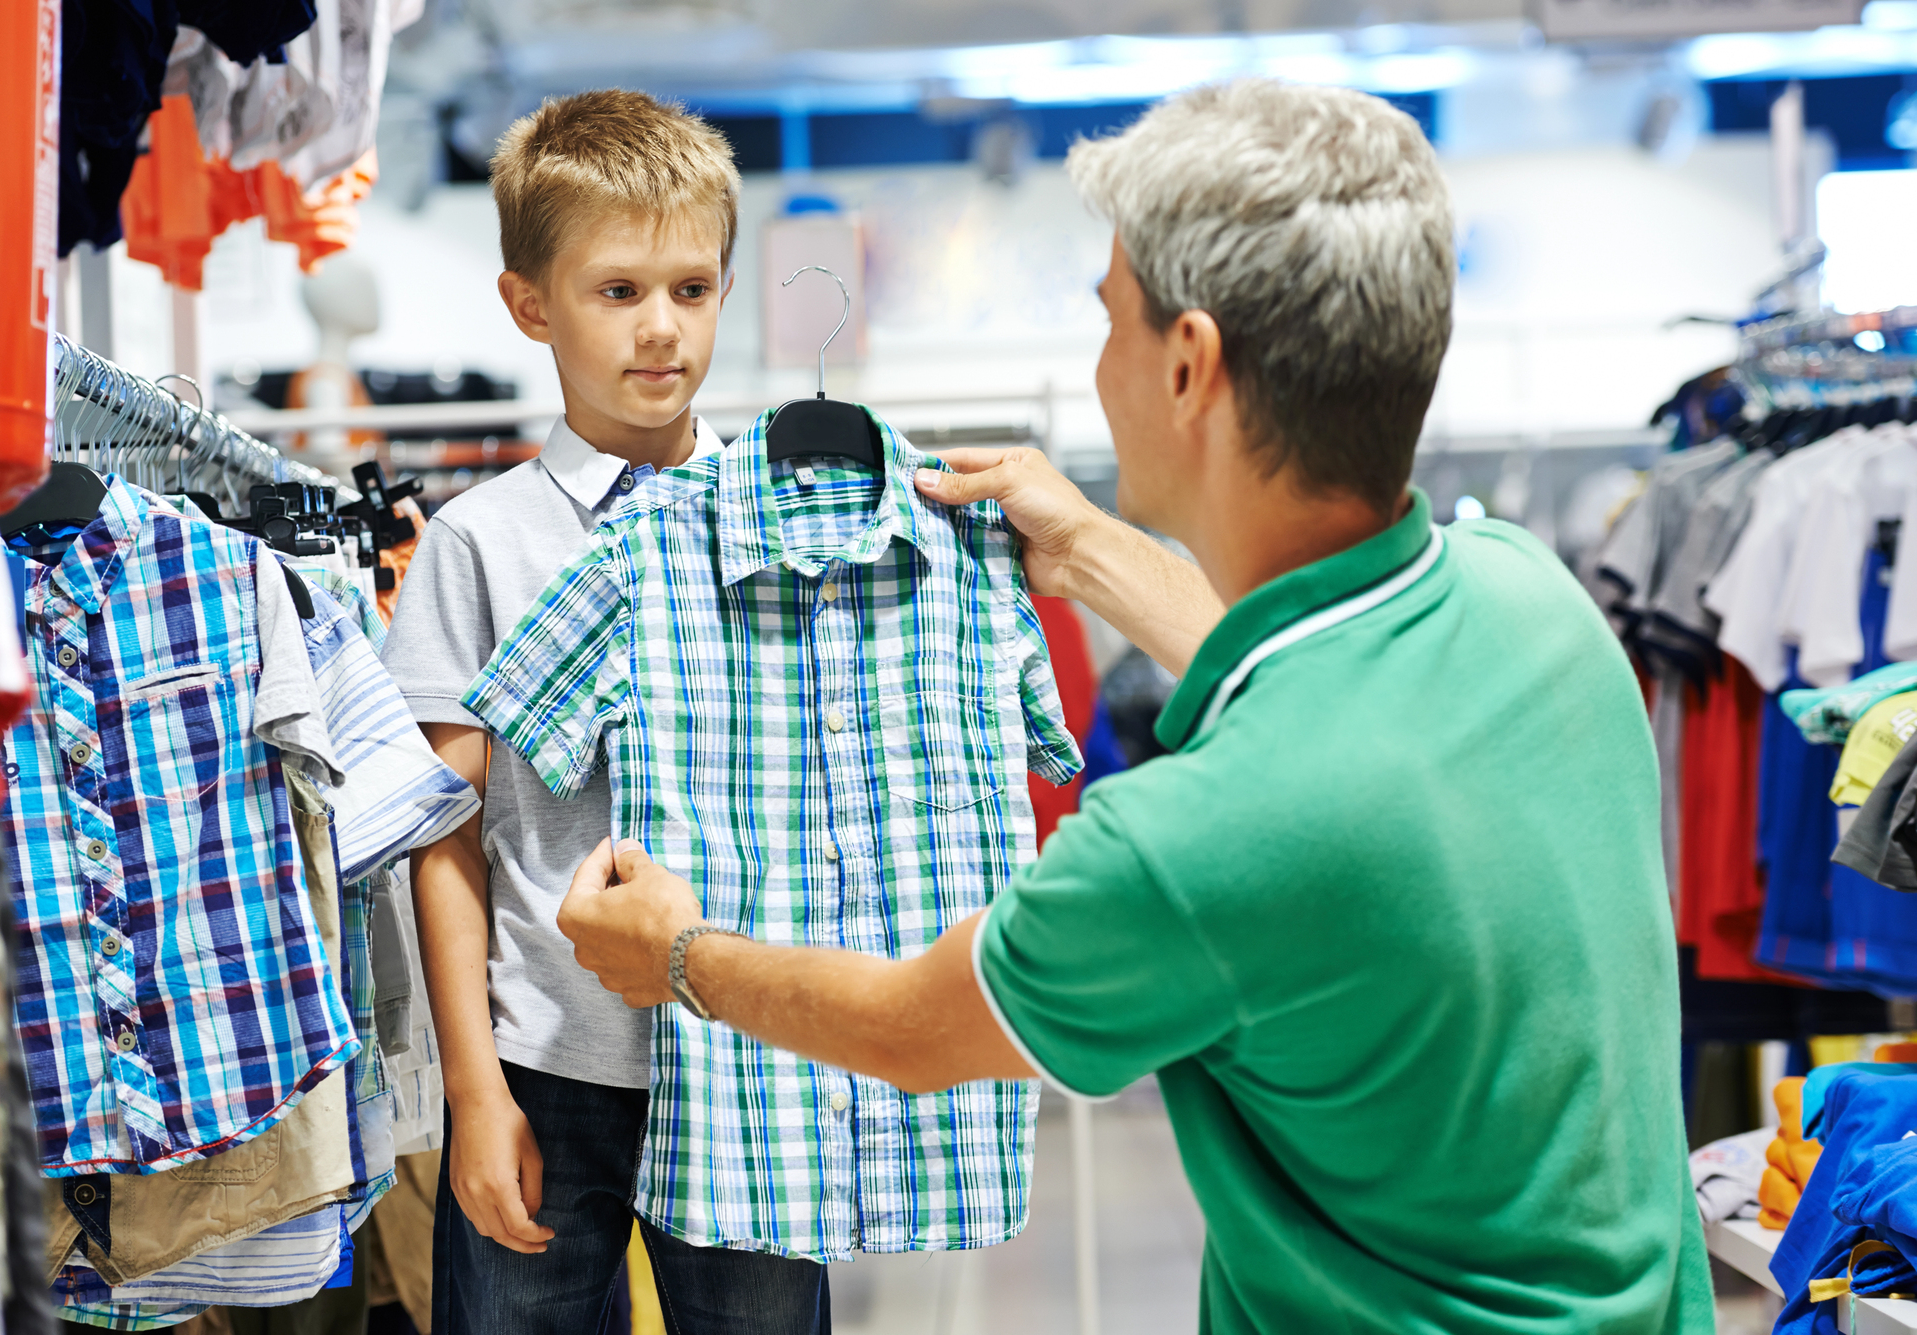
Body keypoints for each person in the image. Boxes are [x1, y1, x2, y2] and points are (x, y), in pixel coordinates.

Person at [553, 79, 1715, 1333]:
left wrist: (675, 956)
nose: (1094, 355)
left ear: (1185, 362)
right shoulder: (1532, 610)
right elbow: (1316, 690)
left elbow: (905, 1030)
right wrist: (1095, 550)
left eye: (1108, 317)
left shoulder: (1189, 845)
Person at [381, 91, 830, 1332]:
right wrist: (473, 1091)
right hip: (543, 1063)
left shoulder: (793, 522)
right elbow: (445, 834)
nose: (661, 330)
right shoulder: (477, 545)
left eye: (691, 289)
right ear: (530, 304)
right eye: (617, 291)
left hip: (750, 1046)